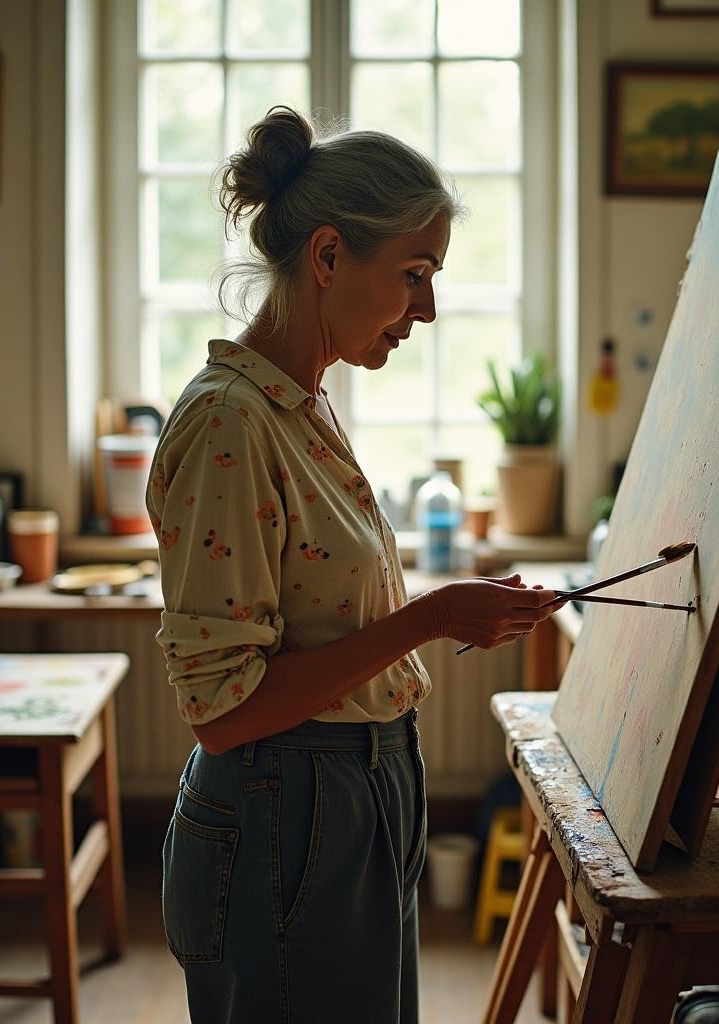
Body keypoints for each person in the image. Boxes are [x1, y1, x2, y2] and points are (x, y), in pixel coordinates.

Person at [147, 105, 557, 1024]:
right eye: (414, 274)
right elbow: (225, 713)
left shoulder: (301, 406)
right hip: (284, 815)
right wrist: (433, 617)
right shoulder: (230, 423)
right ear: (328, 257)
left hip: (346, 799)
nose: (431, 308)